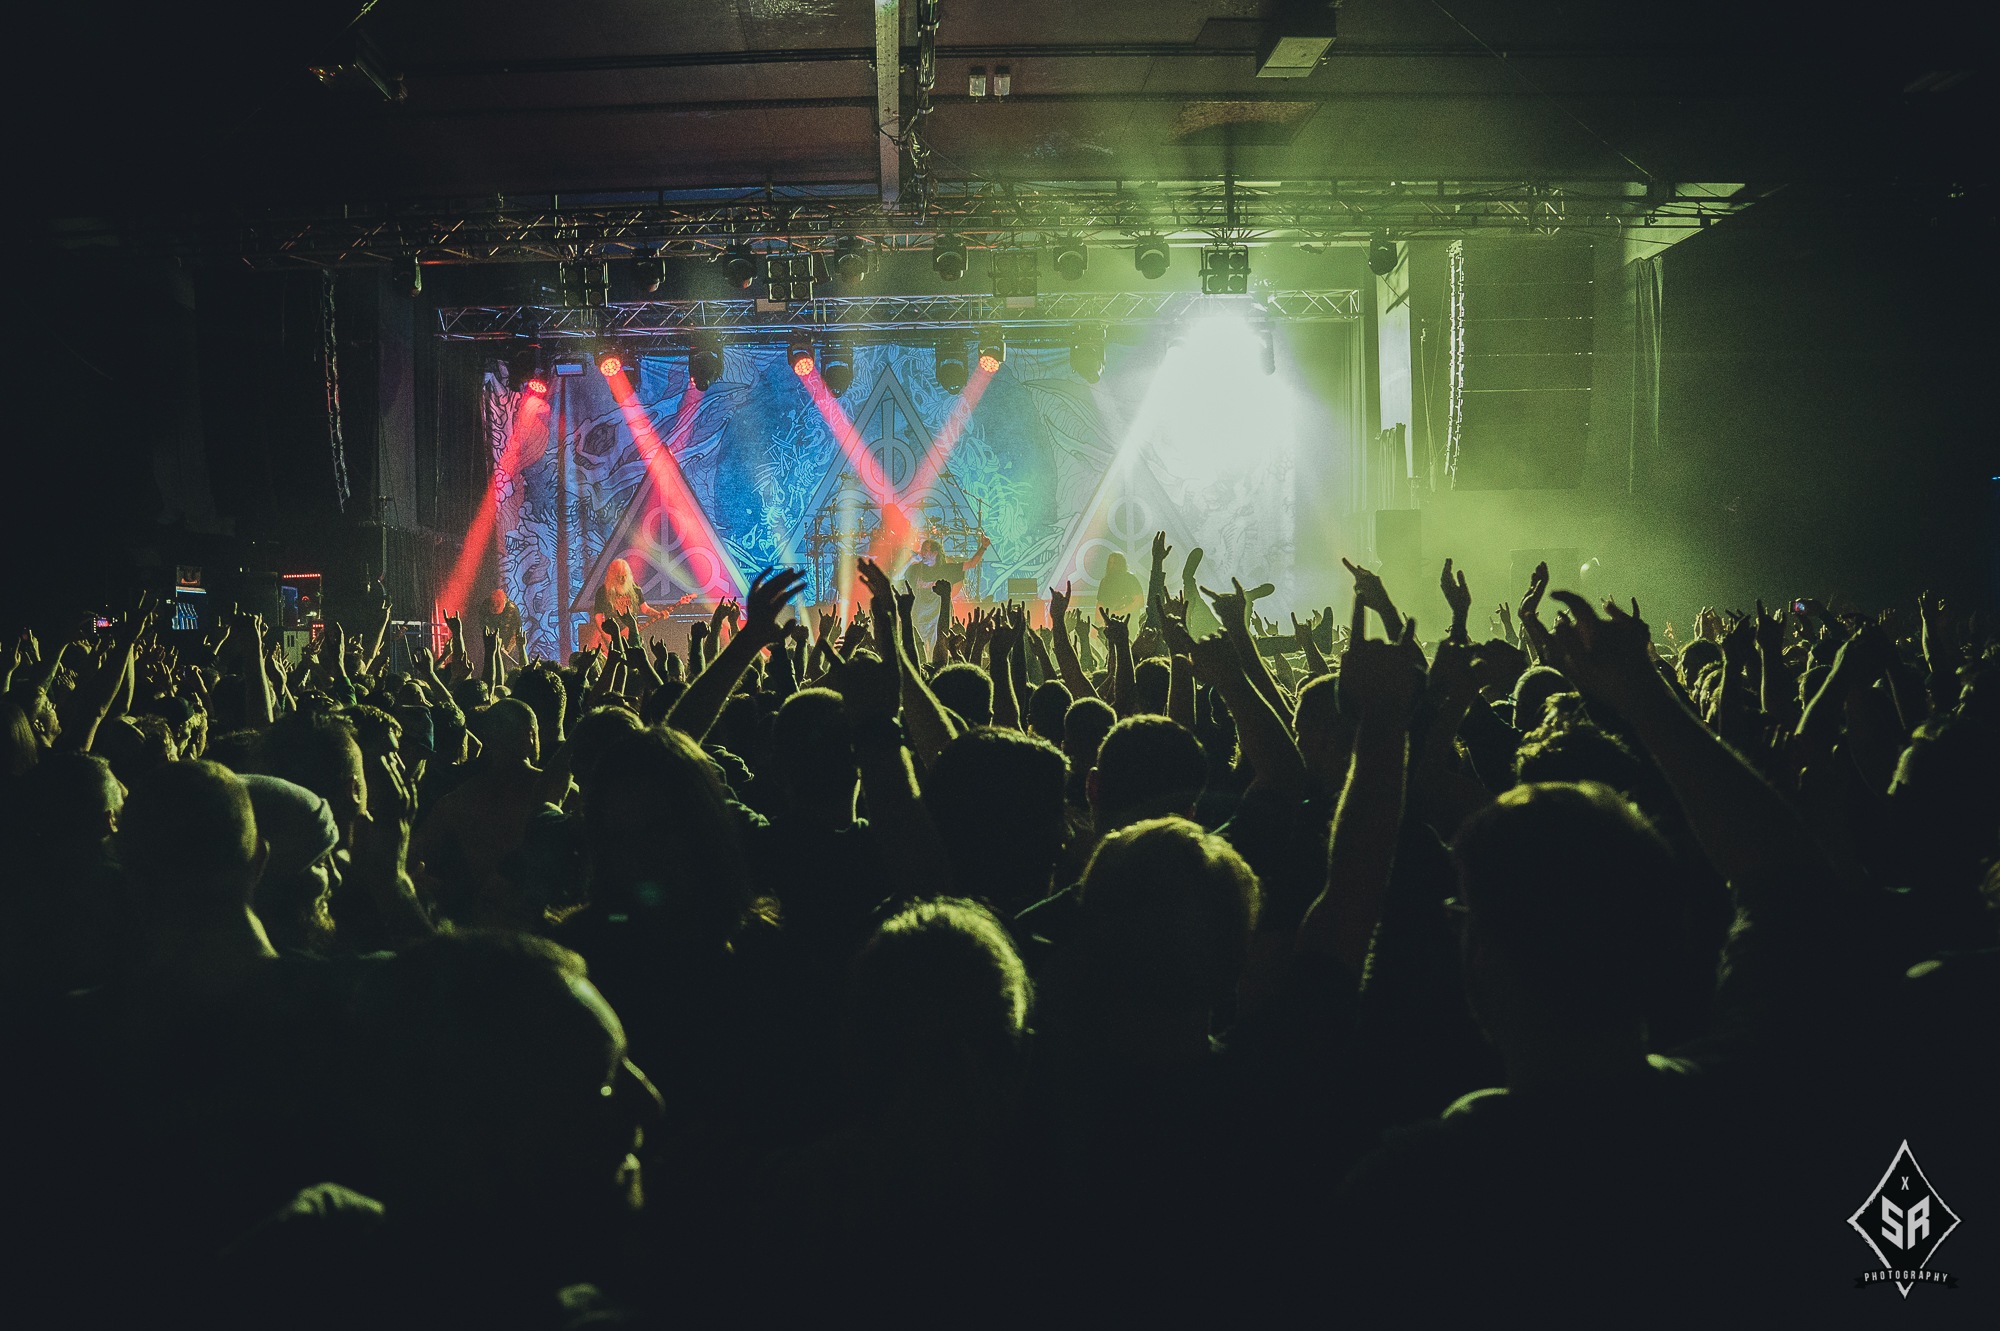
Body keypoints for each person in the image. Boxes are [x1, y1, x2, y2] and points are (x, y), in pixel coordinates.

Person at [477, 586, 523, 668]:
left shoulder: (512, 610)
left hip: (508, 641)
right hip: (492, 640)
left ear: (504, 603)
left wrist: (507, 650)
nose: (494, 607)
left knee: (506, 666)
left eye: (497, 605)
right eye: (492, 605)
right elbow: (482, 623)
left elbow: (516, 633)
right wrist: (492, 639)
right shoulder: (485, 606)